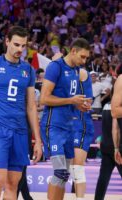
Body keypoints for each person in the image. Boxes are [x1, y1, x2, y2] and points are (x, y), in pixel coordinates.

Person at [0, 26, 42, 200]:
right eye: (16, 44)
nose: (20, 49)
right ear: (7, 42)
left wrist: (38, 140)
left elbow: (31, 107)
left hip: (20, 131)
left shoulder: (28, 70)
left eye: (23, 46)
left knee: (13, 184)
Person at [40, 38, 91, 200]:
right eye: (82, 57)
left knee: (65, 175)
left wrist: (79, 105)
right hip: (53, 125)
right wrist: (71, 101)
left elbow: (70, 98)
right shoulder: (55, 67)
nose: (84, 61)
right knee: (60, 172)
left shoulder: (76, 70)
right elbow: (44, 99)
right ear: (73, 51)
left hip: (69, 126)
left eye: (87, 58)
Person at [70, 68, 94, 200]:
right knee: (66, 168)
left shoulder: (81, 72)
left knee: (77, 167)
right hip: (67, 124)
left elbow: (87, 103)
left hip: (81, 123)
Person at [95, 92, 122, 200]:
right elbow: (115, 129)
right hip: (118, 148)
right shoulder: (118, 108)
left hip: (105, 146)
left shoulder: (106, 105)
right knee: (103, 178)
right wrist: (117, 148)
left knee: (103, 179)